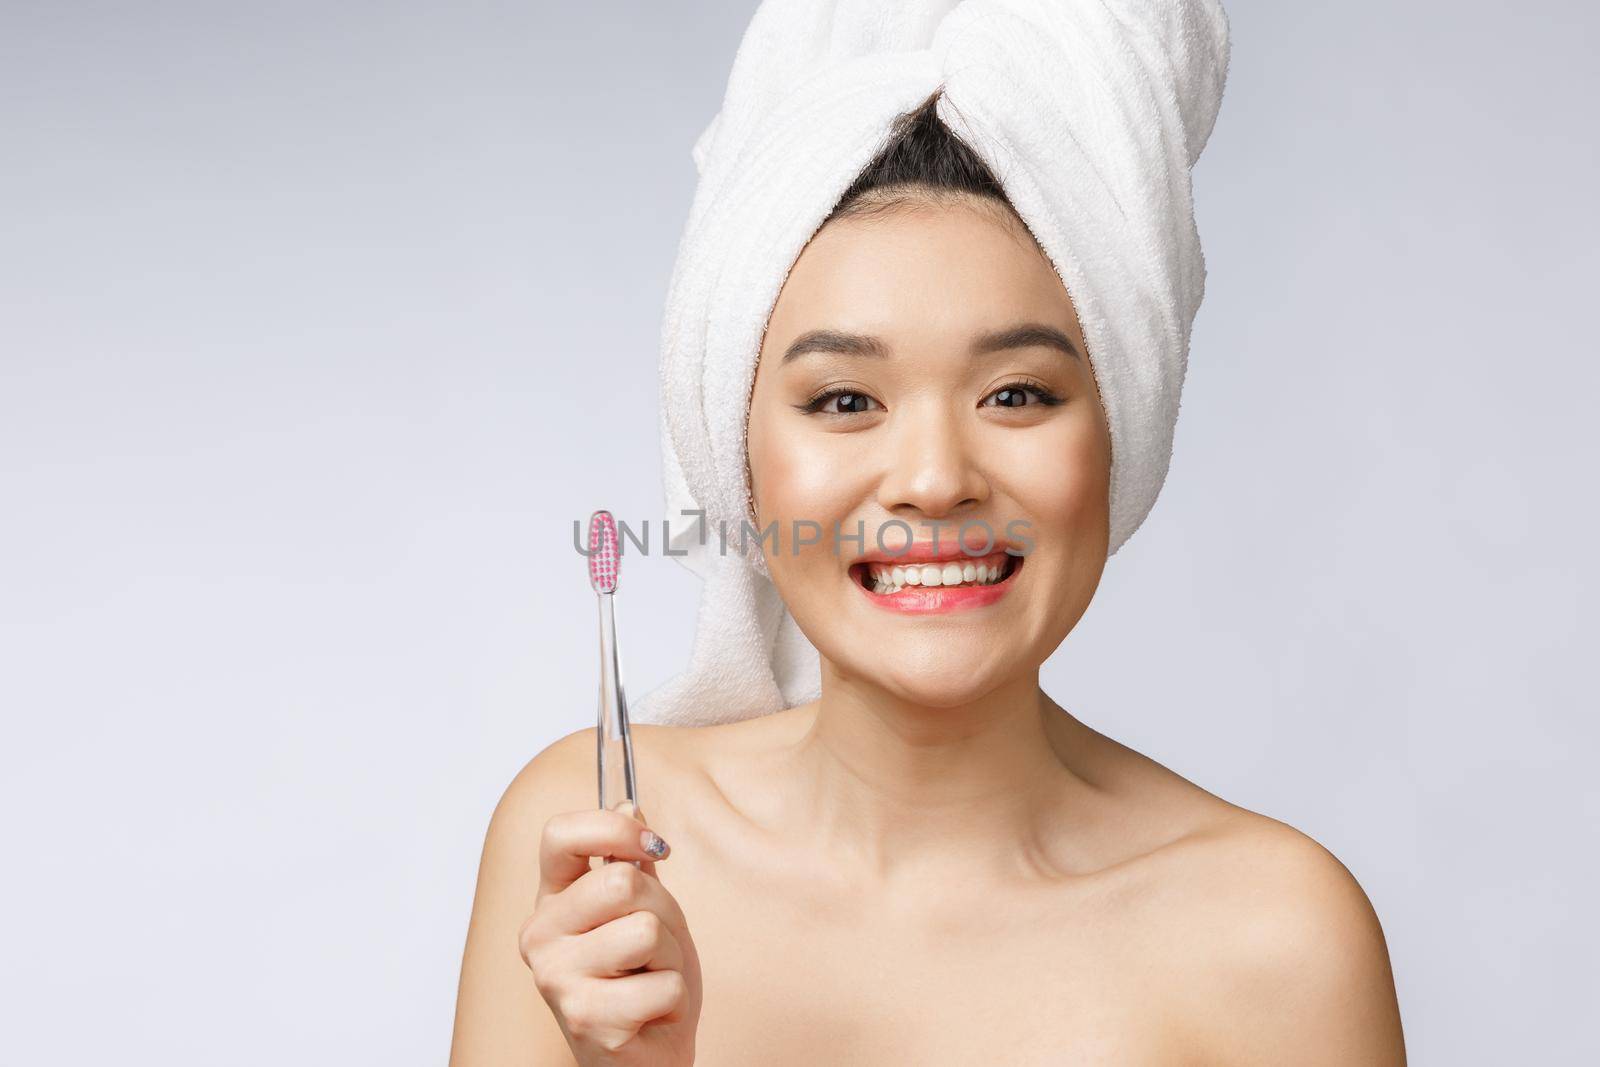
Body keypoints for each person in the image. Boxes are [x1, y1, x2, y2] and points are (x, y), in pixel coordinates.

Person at [448, 93, 1407, 1065]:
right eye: (846, 399)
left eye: (1016, 393)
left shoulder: (1277, 936)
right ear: (736, 456)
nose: (936, 478)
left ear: (1122, 431)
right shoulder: (591, 847)